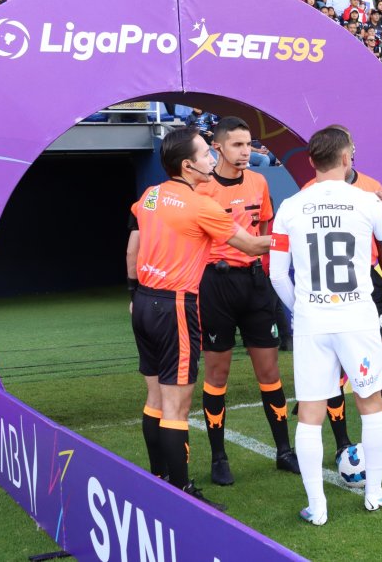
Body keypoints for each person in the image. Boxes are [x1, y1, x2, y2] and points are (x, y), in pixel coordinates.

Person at [269, 126, 382, 525]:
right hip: (357, 318)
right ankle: (374, 493)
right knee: (370, 404)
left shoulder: (290, 206)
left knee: (310, 413)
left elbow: (278, 276)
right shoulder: (365, 201)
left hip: (313, 321)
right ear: (348, 158)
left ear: (311, 161)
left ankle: (317, 508)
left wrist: (300, 311)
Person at [126, 127, 271, 503]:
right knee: (176, 406)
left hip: (143, 302)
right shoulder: (202, 206)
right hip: (175, 305)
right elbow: (254, 245)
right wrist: (296, 230)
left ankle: (159, 477)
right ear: (189, 165)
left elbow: (133, 245)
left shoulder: (150, 195)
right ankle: (180, 491)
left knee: (155, 399)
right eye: (207, 153)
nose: (212, 158)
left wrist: (131, 291)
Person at [303, 127, 382, 469]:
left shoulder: (372, 189)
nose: (351, 151)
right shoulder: (308, 192)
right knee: (335, 367)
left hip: (370, 283)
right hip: (330, 288)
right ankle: (343, 445)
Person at [193, 117, 300, 485]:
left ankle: (284, 450)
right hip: (215, 286)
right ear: (217, 147)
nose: (246, 152)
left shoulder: (259, 181)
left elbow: (266, 231)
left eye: (250, 144)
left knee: (269, 372)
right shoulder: (201, 190)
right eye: (237, 145)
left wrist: (271, 278)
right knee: (217, 375)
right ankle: (219, 457)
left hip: (255, 284)